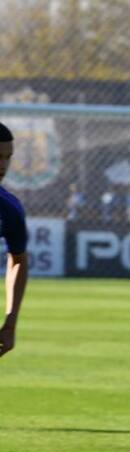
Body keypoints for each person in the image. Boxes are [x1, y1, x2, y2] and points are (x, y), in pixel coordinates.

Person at [0, 122, 29, 359]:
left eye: (7, 157)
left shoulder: (9, 208)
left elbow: (18, 259)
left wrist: (10, 323)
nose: (3, 165)